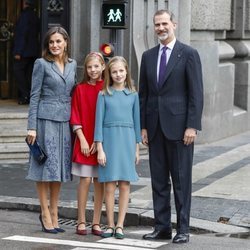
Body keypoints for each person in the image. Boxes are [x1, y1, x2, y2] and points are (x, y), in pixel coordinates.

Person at [139, 9, 203, 243]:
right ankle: (162, 227)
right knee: (158, 181)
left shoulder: (188, 54)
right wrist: (143, 127)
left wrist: (192, 126)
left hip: (180, 130)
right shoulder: (148, 56)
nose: (161, 28)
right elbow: (143, 95)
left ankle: (183, 228)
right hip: (155, 129)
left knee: (181, 180)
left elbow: (196, 94)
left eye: (164, 23)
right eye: (157, 25)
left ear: (173, 24)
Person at [26, 26, 77, 234]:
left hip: (64, 122)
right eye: (51, 42)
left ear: (66, 42)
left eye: (58, 41)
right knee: (44, 168)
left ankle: (55, 212)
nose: (55, 45)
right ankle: (45, 211)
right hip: (44, 122)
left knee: (58, 170)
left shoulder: (73, 65)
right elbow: (34, 96)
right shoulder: (41, 64)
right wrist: (31, 127)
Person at [94, 56, 141, 239]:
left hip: (127, 141)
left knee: (124, 184)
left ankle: (120, 225)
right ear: (109, 74)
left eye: (121, 71)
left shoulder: (133, 95)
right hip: (109, 142)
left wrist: (136, 149)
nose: (118, 74)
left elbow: (137, 123)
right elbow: (98, 123)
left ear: (126, 71)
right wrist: (100, 148)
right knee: (109, 185)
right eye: (114, 72)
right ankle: (110, 225)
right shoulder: (104, 94)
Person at [70, 52, 105, 236]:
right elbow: (75, 114)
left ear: (103, 67)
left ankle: (97, 222)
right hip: (84, 141)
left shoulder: (107, 88)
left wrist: (98, 142)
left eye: (96, 66)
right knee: (84, 180)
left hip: (101, 144)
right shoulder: (80, 89)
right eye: (90, 67)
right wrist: (82, 138)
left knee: (100, 182)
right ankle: (81, 220)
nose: (93, 70)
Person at [13, 0, 40, 105]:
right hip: (33, 51)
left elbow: (22, 34)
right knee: (29, 74)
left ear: (25, 3)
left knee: (18, 72)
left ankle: (25, 95)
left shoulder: (25, 16)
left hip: (24, 51)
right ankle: (29, 96)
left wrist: (18, 51)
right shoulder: (35, 16)